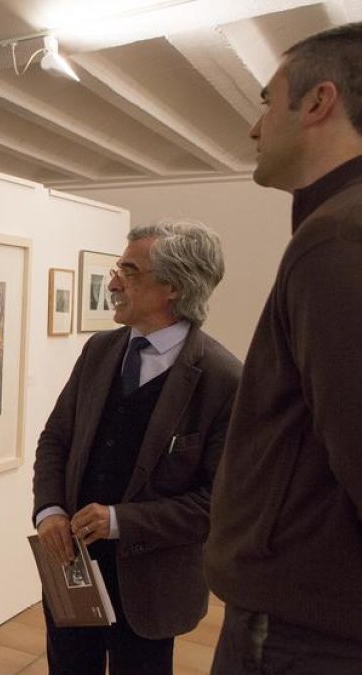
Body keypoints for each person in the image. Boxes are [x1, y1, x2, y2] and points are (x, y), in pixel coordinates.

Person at [205, 23, 362, 674]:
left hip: (304, 630)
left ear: (319, 102)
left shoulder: (339, 237)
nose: (254, 127)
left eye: (268, 101)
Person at [33, 219, 241, 675]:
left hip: (151, 587)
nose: (112, 283)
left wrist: (119, 521)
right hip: (73, 568)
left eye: (128, 271)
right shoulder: (99, 351)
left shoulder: (224, 380)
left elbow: (217, 504)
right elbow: (55, 439)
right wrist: (49, 510)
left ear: (173, 285)